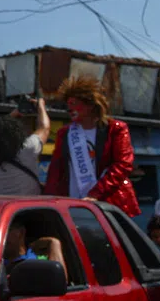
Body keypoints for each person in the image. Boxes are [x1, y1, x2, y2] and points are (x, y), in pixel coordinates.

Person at [44, 75, 141, 216]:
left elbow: (122, 165)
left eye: (74, 103)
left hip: (109, 202)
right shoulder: (64, 133)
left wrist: (96, 194)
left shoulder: (115, 129)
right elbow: (56, 170)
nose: (69, 109)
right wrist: (49, 200)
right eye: (68, 105)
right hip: (73, 202)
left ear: (90, 105)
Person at [0, 96, 51, 196]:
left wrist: (16, 112)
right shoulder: (27, 148)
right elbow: (45, 128)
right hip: (28, 208)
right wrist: (41, 105)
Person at [4, 220, 69, 280]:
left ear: (21, 232)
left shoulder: (39, 258)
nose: (1, 236)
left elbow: (59, 281)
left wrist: (54, 243)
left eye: (7, 230)